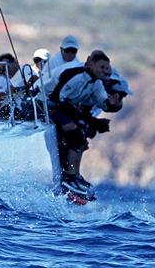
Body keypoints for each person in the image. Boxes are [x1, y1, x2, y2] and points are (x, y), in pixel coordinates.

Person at [49, 50, 123, 201]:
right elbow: (58, 97)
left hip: (68, 110)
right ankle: (69, 176)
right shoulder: (76, 75)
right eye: (101, 67)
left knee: (80, 138)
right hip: (52, 106)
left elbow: (103, 101)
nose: (104, 71)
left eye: (106, 68)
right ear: (90, 63)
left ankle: (74, 175)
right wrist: (83, 118)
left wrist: (113, 103)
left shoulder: (96, 84)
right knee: (75, 134)